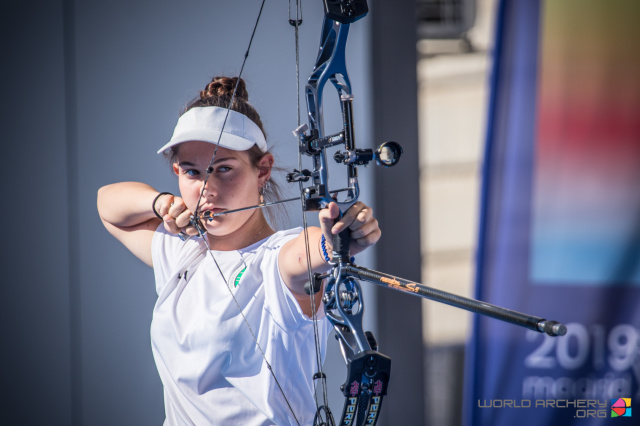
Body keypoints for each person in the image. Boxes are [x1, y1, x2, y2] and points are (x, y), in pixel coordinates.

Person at [97, 76, 381, 425]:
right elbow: (107, 206)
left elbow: (302, 257)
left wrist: (338, 240)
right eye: (192, 172)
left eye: (224, 169)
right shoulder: (184, 253)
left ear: (262, 170)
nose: (206, 190)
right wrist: (161, 203)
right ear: (176, 172)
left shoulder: (275, 259)